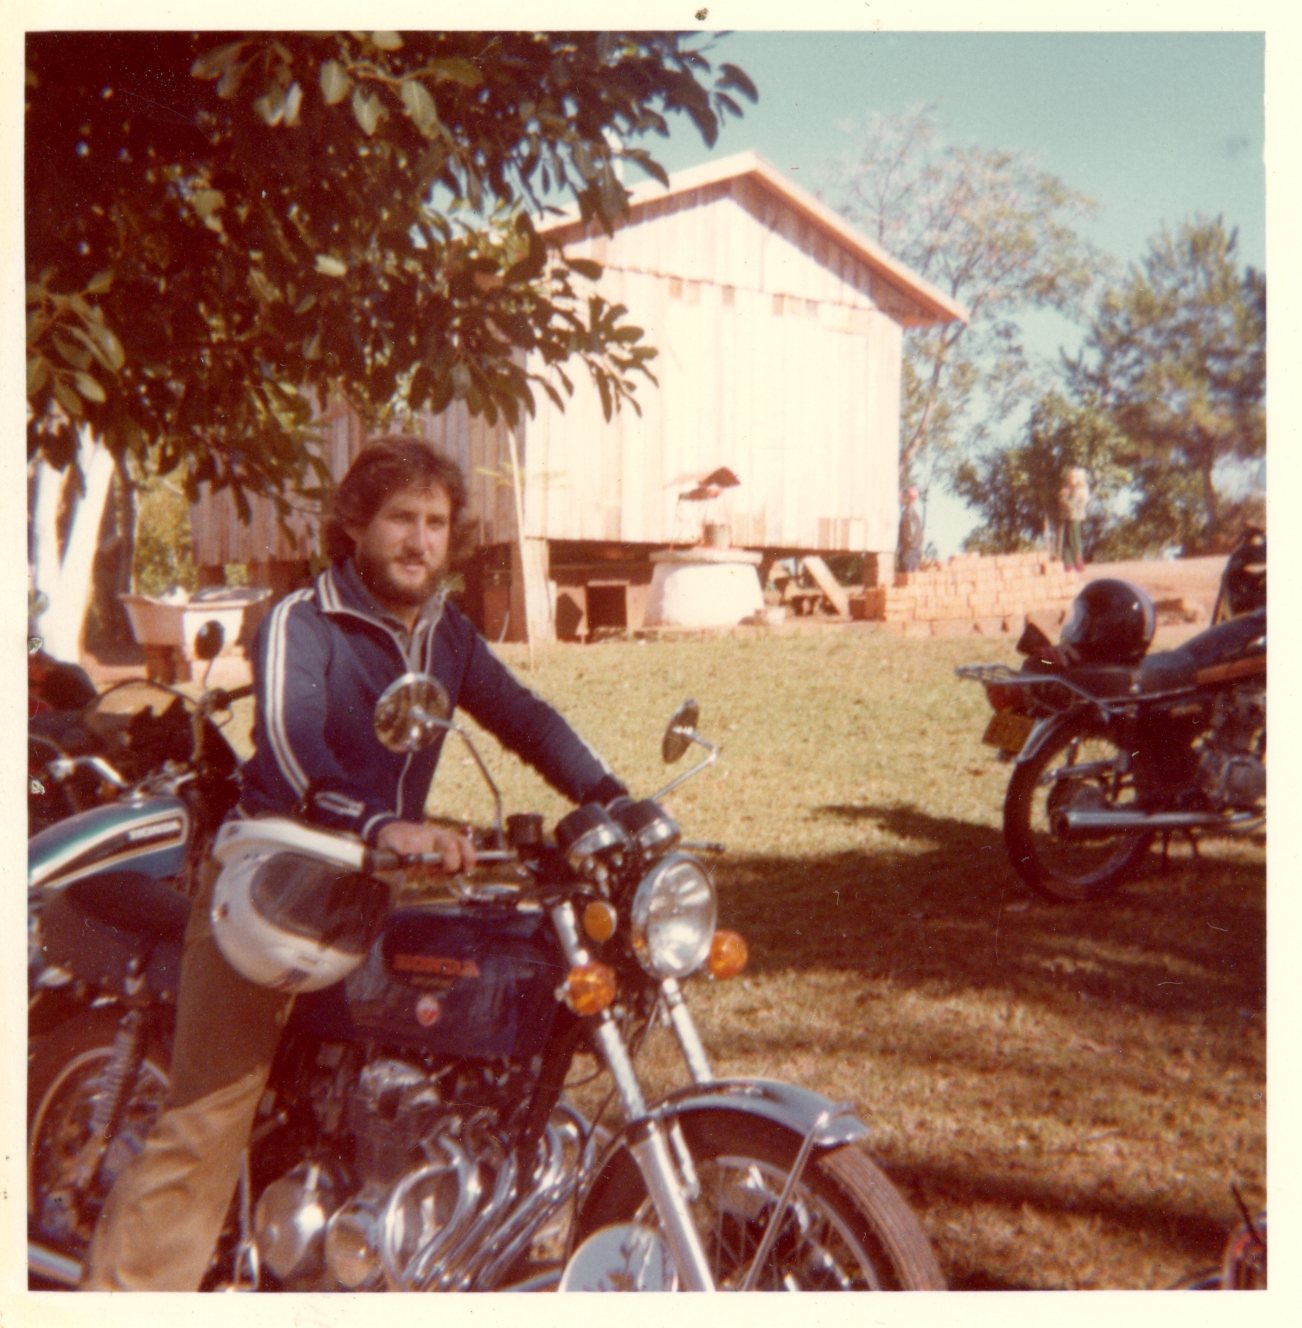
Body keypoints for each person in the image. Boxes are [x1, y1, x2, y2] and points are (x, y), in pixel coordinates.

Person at [82, 435, 628, 1291]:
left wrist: (615, 799)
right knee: (205, 1126)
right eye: (402, 519)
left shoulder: (444, 631)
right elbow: (293, 748)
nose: (420, 540)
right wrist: (383, 826)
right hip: (274, 882)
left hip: (375, 885)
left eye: (436, 523)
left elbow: (526, 719)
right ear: (356, 525)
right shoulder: (302, 620)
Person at [1059, 467, 1091, 572]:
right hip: (1068, 516)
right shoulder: (1070, 489)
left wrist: (1064, 497)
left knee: (1074, 540)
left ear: (1078, 478)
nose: (1069, 479)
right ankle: (1067, 563)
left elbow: (1071, 505)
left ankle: (1078, 563)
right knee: (1067, 541)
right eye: (1069, 477)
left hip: (1075, 516)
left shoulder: (1080, 490)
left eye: (1072, 477)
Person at [898, 485, 924, 573]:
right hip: (913, 549)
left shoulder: (908, 513)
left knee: (908, 576)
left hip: (909, 550)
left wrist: (907, 545)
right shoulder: (912, 513)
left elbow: (908, 532)